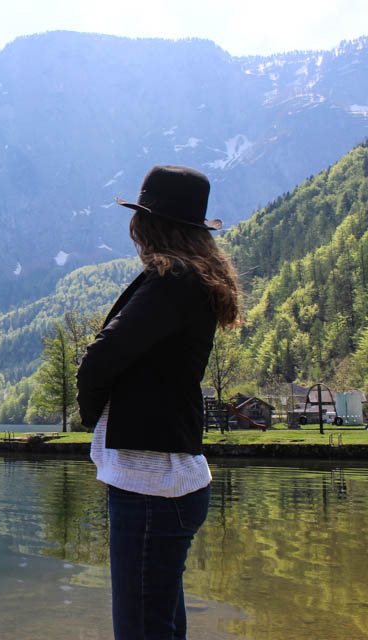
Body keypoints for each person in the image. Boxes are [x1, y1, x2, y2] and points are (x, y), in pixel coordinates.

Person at [76, 165, 240, 640]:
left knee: (142, 630)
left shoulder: (174, 282)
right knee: (160, 626)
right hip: (165, 482)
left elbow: (101, 357)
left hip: (149, 485)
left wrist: (92, 416)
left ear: (149, 224)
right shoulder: (188, 281)